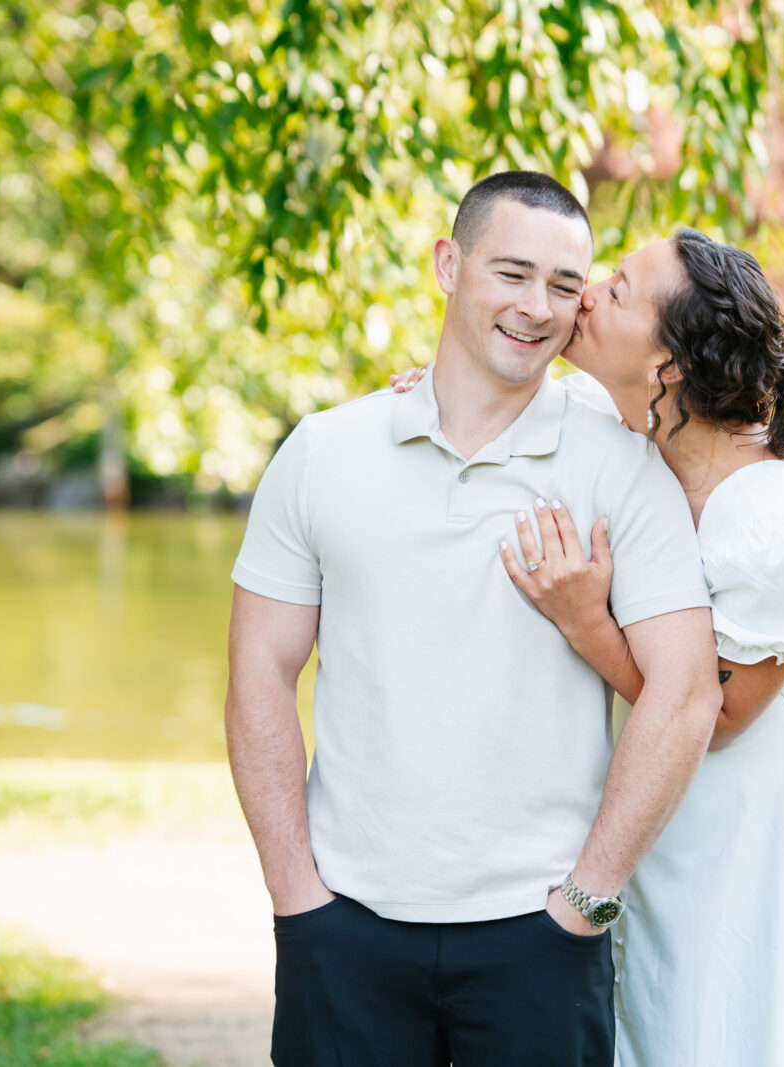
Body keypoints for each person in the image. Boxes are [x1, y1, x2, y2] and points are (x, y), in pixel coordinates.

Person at [224, 172, 722, 1067]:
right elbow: (260, 670)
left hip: (542, 938)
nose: (537, 307)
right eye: (512, 273)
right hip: (344, 921)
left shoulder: (621, 467)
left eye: (566, 286)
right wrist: (295, 893)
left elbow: (686, 694)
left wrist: (587, 903)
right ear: (448, 264)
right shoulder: (323, 452)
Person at [401, 228, 784, 1064]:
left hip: (760, 807)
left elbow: (720, 714)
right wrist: (440, 392)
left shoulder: (766, 519)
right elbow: (533, 403)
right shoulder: (634, 429)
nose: (587, 294)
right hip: (670, 787)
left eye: (620, 289)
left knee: (738, 1012)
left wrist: (586, 622)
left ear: (671, 363)